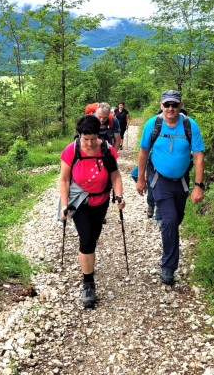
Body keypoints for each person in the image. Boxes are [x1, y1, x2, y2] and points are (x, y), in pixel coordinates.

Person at [136, 89, 205, 285]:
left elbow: (199, 156)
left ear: (180, 106)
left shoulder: (190, 126)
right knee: (170, 219)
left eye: (174, 104)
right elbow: (143, 152)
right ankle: (168, 266)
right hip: (159, 179)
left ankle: (169, 242)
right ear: (161, 106)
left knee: (176, 219)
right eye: (167, 104)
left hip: (181, 181)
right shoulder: (153, 124)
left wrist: (199, 186)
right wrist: (141, 179)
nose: (170, 108)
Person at [59, 115, 126, 307]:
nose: (88, 143)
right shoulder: (71, 150)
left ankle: (88, 258)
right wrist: (65, 205)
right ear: (79, 135)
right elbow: (63, 179)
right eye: (84, 139)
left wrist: (119, 195)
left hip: (102, 200)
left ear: (99, 135)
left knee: (94, 236)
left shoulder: (107, 149)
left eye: (92, 139)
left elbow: (115, 176)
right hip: (79, 201)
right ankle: (88, 283)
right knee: (87, 240)